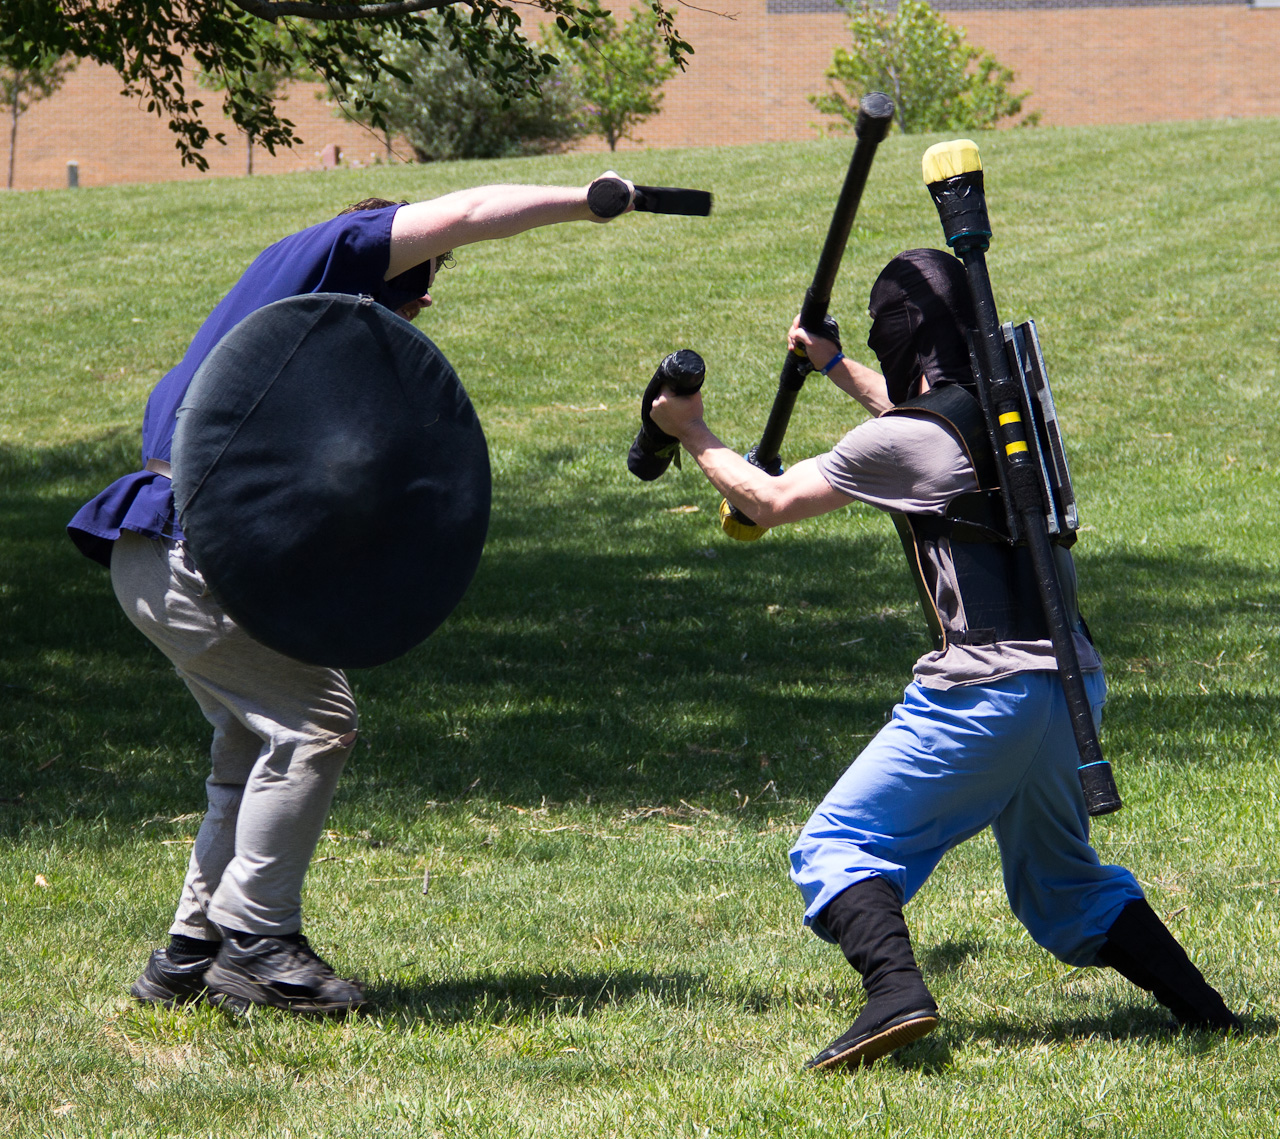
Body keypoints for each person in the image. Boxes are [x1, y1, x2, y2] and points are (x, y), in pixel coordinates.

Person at [648, 248, 1239, 1070]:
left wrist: (688, 430)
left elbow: (769, 500)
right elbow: (920, 424)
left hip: (983, 695)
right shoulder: (1016, 415)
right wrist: (832, 366)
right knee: (1062, 883)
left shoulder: (904, 441)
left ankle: (895, 992)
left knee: (836, 844)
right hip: (1071, 693)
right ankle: (1209, 1014)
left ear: (898, 340)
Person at [68, 174, 637, 1016]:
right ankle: (259, 941)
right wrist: (589, 200)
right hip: (192, 552)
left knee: (250, 739)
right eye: (424, 273)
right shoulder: (337, 250)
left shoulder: (283, 305)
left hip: (156, 554)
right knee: (318, 720)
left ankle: (190, 952)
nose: (425, 297)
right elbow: (467, 212)